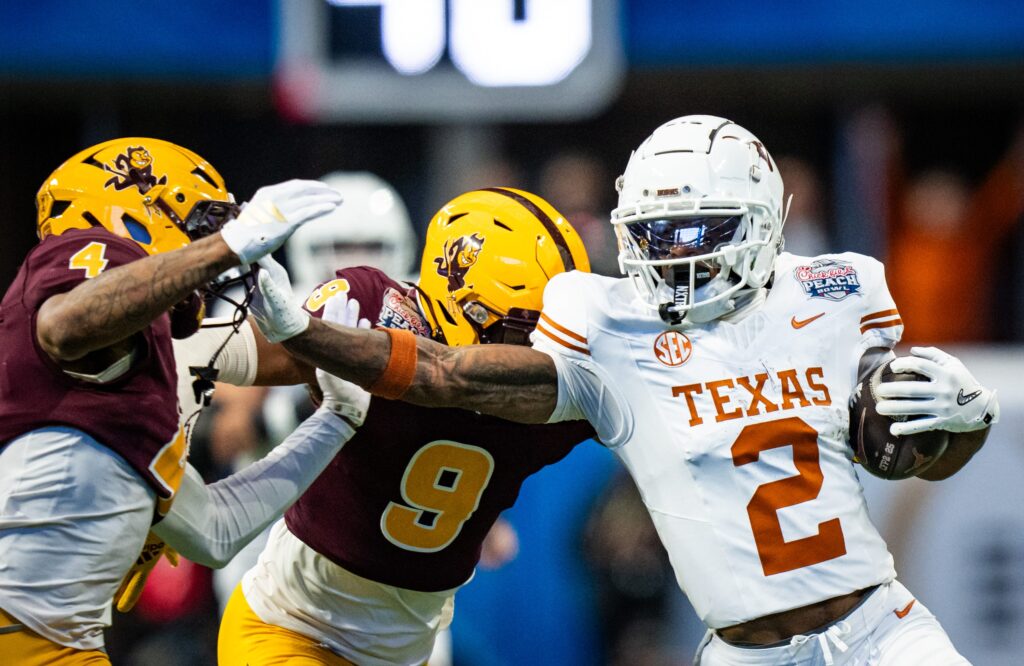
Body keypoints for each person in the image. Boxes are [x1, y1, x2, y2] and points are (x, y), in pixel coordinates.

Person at [255, 116, 1000, 664]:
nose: (671, 258)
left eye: (696, 232)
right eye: (654, 235)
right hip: (749, 651)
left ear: (763, 222)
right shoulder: (610, 327)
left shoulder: (834, 293)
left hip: (882, 623)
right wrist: (305, 333)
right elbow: (447, 374)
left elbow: (913, 456)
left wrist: (963, 421)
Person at [0, 137, 368, 664]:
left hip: (58, 642)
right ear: (131, 217)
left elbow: (215, 532)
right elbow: (66, 324)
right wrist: (227, 246)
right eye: (201, 228)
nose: (215, 253)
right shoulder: (74, 282)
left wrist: (339, 415)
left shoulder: (138, 373)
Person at [215, 187, 596, 666]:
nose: (545, 343)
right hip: (292, 625)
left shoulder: (567, 384)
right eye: (530, 326)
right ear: (467, 304)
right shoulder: (366, 309)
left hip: (407, 646)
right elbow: (222, 370)